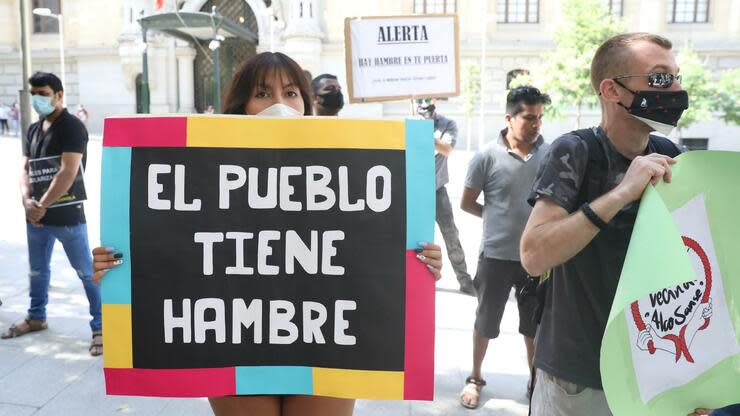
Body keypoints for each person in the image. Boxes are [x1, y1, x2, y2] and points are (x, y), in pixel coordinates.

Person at [91, 51, 445, 416]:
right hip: (234, 341)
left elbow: (371, 250)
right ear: (241, 105)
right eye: (263, 94)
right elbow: (174, 249)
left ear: (306, 103)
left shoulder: (349, 169)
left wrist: (419, 263)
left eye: (291, 93)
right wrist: (122, 266)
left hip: (326, 342)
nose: (280, 104)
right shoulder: (201, 173)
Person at [520, 33, 688, 415]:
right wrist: (621, 193)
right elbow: (533, 255)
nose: (676, 89)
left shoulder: (670, 155)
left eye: (678, 77)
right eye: (661, 79)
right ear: (612, 90)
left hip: (651, 371)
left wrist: (694, 379)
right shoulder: (575, 151)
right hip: (579, 379)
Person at [458, 86, 552, 409]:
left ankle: (535, 381)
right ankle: (475, 377)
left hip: (535, 259)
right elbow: (467, 202)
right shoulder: (486, 156)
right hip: (494, 256)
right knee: (485, 320)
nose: (536, 124)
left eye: (540, 117)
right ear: (509, 118)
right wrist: (495, 216)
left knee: (533, 325)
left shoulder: (550, 154)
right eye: (529, 117)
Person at [1, 72, 102, 357]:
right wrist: (26, 202)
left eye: (43, 93)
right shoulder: (33, 129)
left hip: (68, 218)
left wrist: (41, 204)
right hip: (35, 218)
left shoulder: (73, 127)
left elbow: (68, 171)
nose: (37, 99)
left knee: (85, 272)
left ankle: (101, 327)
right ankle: (36, 316)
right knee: (37, 271)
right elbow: (24, 168)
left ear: (59, 95)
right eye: (33, 93)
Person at [416, 98, 475, 295]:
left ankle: (464, 280)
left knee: (450, 234)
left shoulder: (447, 125)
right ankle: (417, 277)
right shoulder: (409, 123)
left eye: (429, 106)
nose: (426, 110)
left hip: (437, 189)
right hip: (414, 190)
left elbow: (447, 149)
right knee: (416, 238)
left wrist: (423, 132)